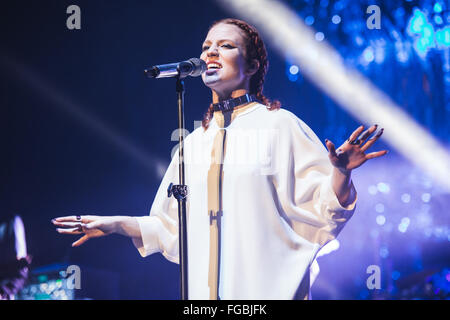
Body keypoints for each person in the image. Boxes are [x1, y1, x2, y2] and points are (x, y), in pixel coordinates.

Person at [52, 18, 387, 299]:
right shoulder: (193, 143)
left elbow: (326, 210)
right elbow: (173, 228)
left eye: (226, 45)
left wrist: (341, 173)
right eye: (206, 46)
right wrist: (116, 225)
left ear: (252, 66)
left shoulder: (280, 125)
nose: (210, 51)